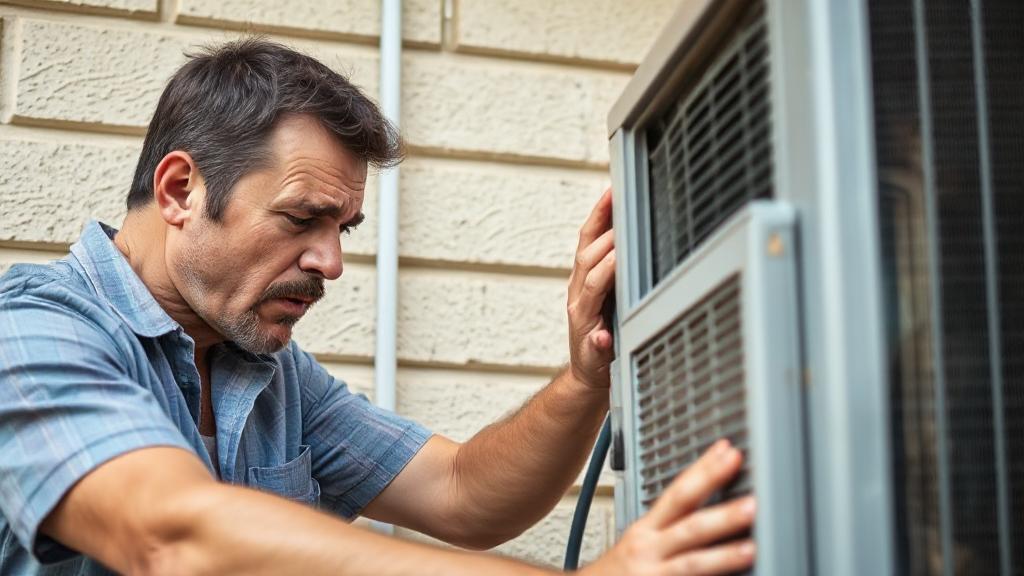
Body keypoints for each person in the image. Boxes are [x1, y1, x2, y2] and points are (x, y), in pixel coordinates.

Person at [0, 39, 754, 575]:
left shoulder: (274, 374)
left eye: (343, 229)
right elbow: (173, 540)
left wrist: (586, 374)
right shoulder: (31, 333)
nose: (331, 262)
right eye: (302, 219)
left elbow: (464, 493)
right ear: (179, 191)